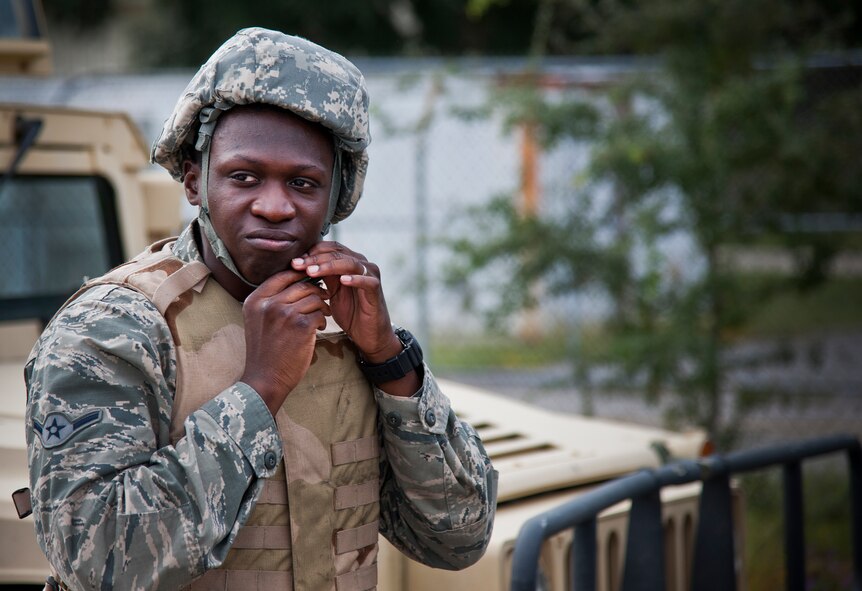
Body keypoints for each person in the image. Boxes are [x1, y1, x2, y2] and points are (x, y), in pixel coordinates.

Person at [25, 27, 497, 591]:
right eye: (243, 177)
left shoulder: (345, 326)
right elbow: (97, 561)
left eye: (303, 183)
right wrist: (260, 389)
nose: (274, 206)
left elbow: (457, 539)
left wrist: (391, 361)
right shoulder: (113, 330)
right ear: (195, 182)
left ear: (335, 198)